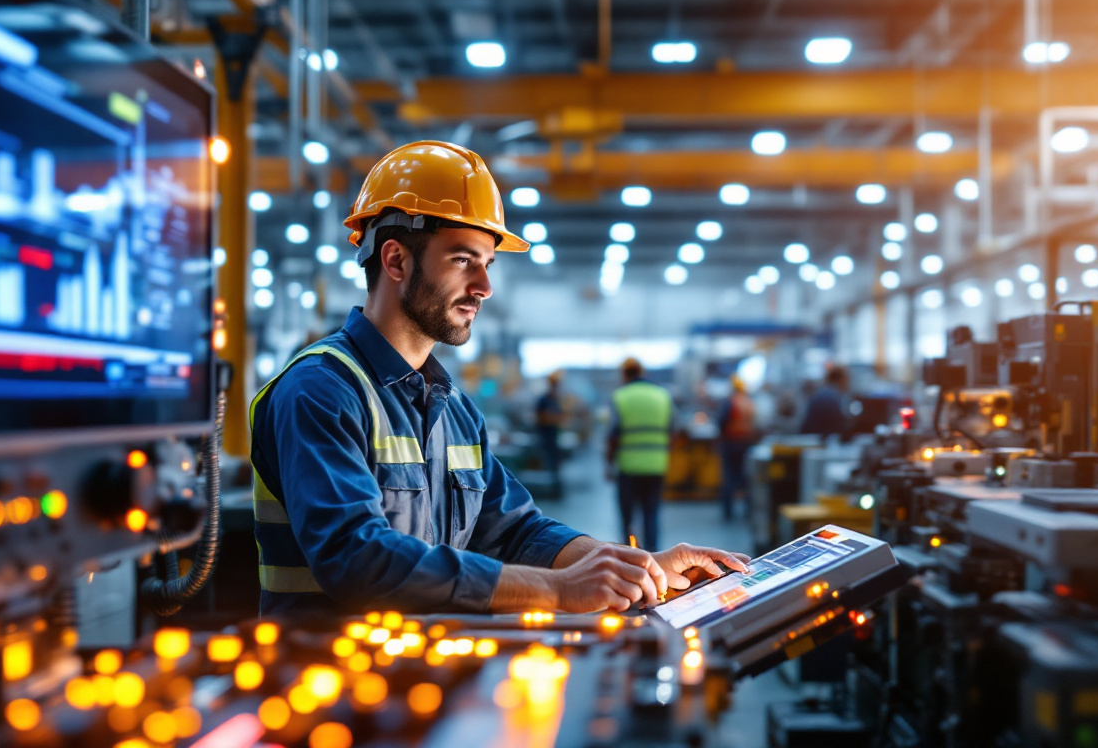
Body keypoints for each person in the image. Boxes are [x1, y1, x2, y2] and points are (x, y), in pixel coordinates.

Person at [250, 140, 747, 617]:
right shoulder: (321, 390)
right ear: (396, 260)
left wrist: (632, 567)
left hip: (424, 677)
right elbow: (358, 559)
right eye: (463, 260)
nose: (485, 287)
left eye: (487, 264)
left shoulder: (454, 410)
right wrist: (556, 590)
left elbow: (517, 531)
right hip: (326, 683)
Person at [606, 358, 675, 552]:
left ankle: (629, 556)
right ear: (642, 372)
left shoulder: (620, 396)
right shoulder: (662, 395)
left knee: (628, 517)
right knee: (651, 513)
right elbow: (673, 430)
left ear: (625, 374)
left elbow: (613, 435)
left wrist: (609, 464)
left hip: (628, 466)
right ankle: (654, 556)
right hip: (656, 465)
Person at [717, 374, 758, 520]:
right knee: (746, 478)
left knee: (729, 478)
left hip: (730, 443)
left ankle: (728, 512)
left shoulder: (730, 402)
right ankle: (748, 511)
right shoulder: (749, 402)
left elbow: (722, 421)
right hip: (746, 443)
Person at [534, 371, 565, 496]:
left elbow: (562, 417)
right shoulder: (544, 400)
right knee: (546, 463)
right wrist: (552, 419)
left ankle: (555, 488)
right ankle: (547, 490)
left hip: (554, 437)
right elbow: (540, 418)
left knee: (555, 464)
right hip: (545, 437)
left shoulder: (556, 400)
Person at [800, 365, 850, 438]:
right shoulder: (831, 396)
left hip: (811, 437)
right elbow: (838, 425)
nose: (848, 384)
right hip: (816, 440)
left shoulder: (823, 392)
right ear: (841, 379)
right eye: (847, 380)